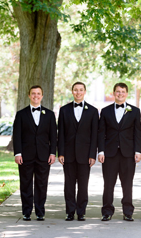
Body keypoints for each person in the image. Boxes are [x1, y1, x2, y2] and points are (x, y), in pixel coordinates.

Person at [97, 82, 141, 222]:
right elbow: (101, 133)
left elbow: (137, 133)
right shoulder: (105, 111)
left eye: (123, 92)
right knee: (108, 184)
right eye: (118, 91)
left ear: (127, 94)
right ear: (113, 93)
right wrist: (101, 151)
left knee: (127, 184)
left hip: (128, 153)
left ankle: (128, 212)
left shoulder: (134, 111)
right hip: (109, 153)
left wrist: (137, 151)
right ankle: (107, 211)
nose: (120, 94)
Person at [12, 85, 57, 221]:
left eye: (38, 94)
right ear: (29, 95)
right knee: (25, 183)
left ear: (42, 96)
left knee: (41, 184)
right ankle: (26, 212)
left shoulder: (49, 114)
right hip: (25, 156)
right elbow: (17, 135)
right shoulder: (21, 114)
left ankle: (40, 211)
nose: (36, 96)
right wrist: (17, 153)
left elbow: (53, 136)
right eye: (33, 93)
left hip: (44, 156)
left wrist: (52, 153)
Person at [56, 82, 98, 221]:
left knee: (83, 185)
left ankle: (81, 212)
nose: (78, 92)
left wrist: (93, 155)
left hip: (85, 155)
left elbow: (94, 136)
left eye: (81, 90)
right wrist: (60, 153)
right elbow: (60, 133)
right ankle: (70, 212)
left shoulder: (92, 111)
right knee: (69, 185)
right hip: (68, 155)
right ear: (72, 92)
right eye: (75, 90)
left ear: (85, 92)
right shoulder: (64, 110)